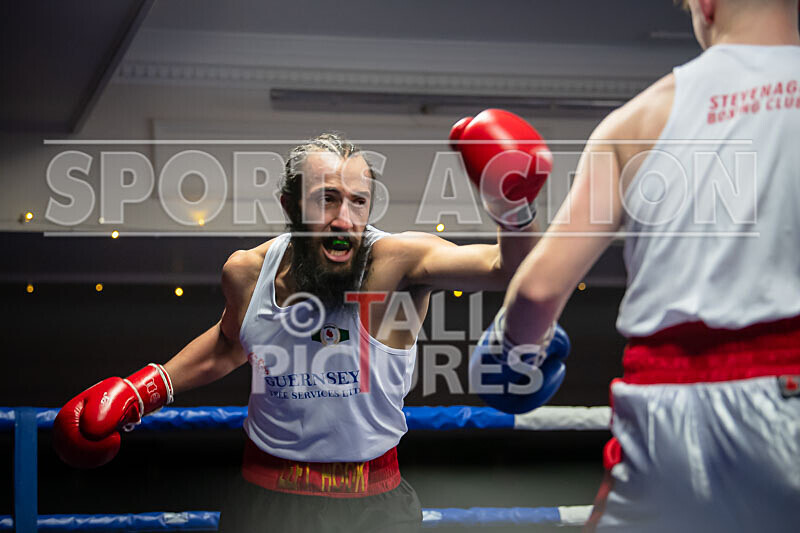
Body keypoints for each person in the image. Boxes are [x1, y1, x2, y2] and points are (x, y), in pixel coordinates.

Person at [52, 114, 557, 532]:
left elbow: (509, 269)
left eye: (358, 201)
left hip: (375, 508)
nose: (344, 219)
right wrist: (145, 388)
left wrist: (514, 206)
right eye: (326, 199)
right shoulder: (247, 271)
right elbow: (230, 344)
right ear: (290, 206)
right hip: (266, 503)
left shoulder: (399, 262)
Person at [481, 1, 800, 531]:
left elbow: (538, 292)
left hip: (664, 413)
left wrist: (510, 353)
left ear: (706, 4)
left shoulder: (636, 120)